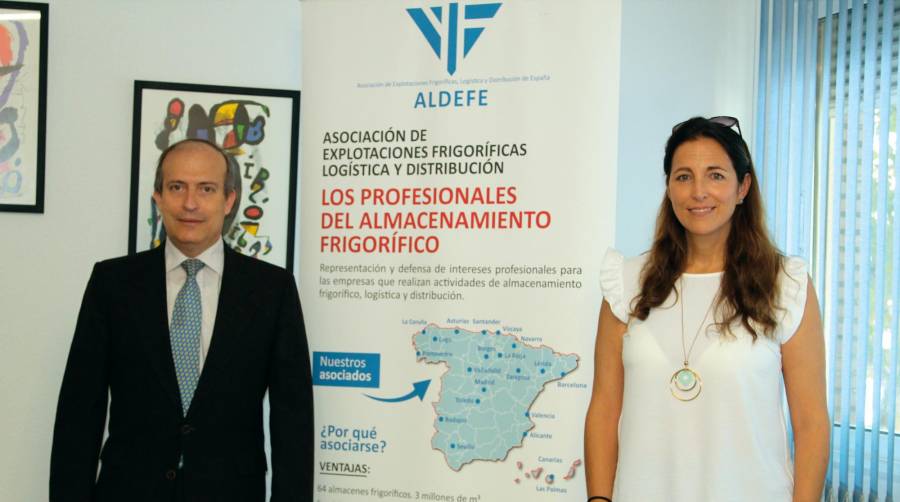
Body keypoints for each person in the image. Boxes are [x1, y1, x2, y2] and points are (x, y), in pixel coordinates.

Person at [49, 139, 313, 501]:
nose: (190, 203)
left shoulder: (272, 289)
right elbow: (80, 410)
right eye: (177, 187)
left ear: (229, 200)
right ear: (158, 198)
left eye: (206, 188)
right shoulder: (113, 284)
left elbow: (292, 419)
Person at [583, 117, 829, 502]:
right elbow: (603, 409)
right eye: (683, 177)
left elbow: (812, 422)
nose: (698, 192)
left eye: (715, 175)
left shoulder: (787, 284)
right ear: (668, 188)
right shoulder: (626, 283)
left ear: (743, 186)